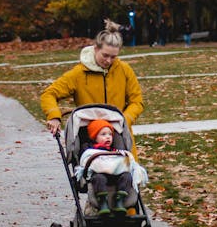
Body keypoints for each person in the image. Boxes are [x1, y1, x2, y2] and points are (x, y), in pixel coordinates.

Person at [41, 20, 144, 152]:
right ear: (96, 48)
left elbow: (137, 102)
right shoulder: (79, 74)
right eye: (105, 55)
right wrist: (54, 116)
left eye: (113, 57)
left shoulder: (124, 70)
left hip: (119, 137)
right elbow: (49, 94)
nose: (108, 61)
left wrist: (123, 120)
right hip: (90, 139)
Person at [76, 118, 147, 216]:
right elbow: (86, 161)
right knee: (98, 178)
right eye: (103, 134)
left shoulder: (114, 150)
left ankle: (120, 200)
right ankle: (103, 202)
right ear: (94, 137)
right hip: (99, 174)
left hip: (116, 175)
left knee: (127, 176)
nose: (108, 137)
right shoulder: (90, 149)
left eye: (110, 134)